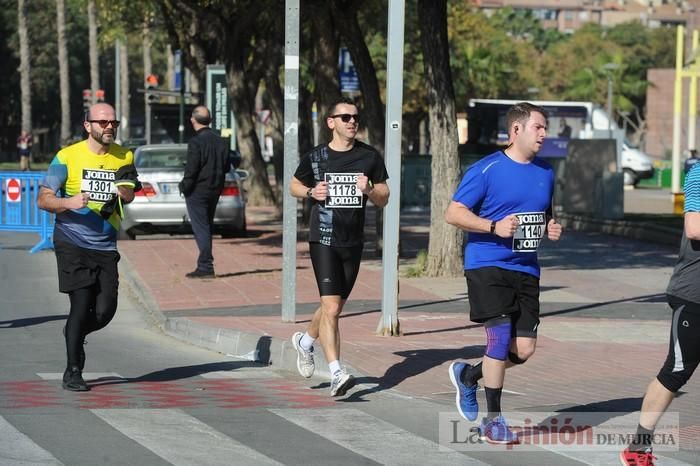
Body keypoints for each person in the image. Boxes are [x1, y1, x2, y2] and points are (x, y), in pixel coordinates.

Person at [445, 102, 563, 444]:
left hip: (526, 269)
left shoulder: (546, 172)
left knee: (523, 349)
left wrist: (552, 229)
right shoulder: (487, 169)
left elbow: (543, 217)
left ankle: (468, 375)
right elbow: (453, 213)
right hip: (487, 263)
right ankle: (493, 421)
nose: (544, 133)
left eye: (545, 128)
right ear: (516, 130)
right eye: (538, 127)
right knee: (498, 338)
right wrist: (492, 226)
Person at [289, 97, 389, 396]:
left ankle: (305, 342)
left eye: (355, 117)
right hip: (324, 237)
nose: (351, 122)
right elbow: (293, 185)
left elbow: (384, 197)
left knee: (333, 305)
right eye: (344, 117)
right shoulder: (316, 157)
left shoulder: (369, 156)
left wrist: (369, 189)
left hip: (353, 240)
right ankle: (336, 372)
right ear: (330, 122)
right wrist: (310, 191)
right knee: (331, 307)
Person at [37, 103, 138, 392]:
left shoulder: (124, 155)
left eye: (113, 123)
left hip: (105, 245)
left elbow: (129, 194)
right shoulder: (66, 157)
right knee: (81, 303)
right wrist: (68, 202)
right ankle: (73, 370)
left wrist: (125, 192)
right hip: (72, 240)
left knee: (105, 311)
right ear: (88, 125)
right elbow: (43, 199)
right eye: (103, 122)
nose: (109, 127)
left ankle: (74, 331)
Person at [619, 162, 700, 465]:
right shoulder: (699, 174)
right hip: (695, 294)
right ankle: (638, 448)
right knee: (677, 371)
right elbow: (695, 227)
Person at [179, 105, 233, 279]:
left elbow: (192, 169)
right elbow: (226, 167)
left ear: (193, 120)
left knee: (201, 227)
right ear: (210, 121)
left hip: (198, 190)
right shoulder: (222, 142)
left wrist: (184, 186)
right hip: (215, 188)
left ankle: (205, 266)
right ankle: (205, 264)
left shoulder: (196, 142)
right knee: (207, 225)